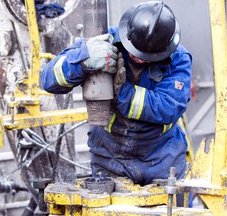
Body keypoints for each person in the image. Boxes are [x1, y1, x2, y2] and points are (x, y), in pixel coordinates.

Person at [40, 1, 192, 192]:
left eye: (147, 57)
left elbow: (168, 107)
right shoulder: (102, 42)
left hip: (162, 158)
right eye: (136, 53)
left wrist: (121, 93)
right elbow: (48, 80)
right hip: (109, 158)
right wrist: (82, 60)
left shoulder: (178, 58)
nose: (140, 59)